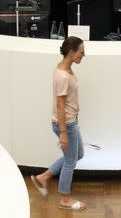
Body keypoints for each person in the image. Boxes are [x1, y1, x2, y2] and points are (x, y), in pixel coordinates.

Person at [30, 36, 87, 211]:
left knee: (78, 154)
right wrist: (63, 133)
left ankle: (43, 177)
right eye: (81, 52)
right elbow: (60, 105)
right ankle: (65, 199)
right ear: (71, 53)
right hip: (66, 124)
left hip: (70, 122)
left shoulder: (64, 68)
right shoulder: (63, 76)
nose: (83, 55)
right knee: (71, 161)